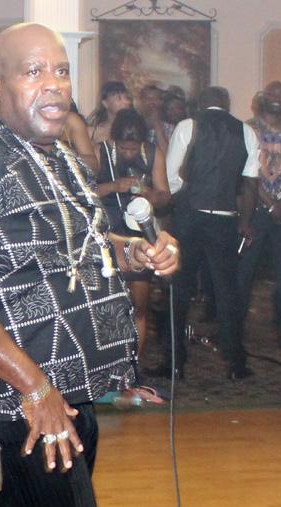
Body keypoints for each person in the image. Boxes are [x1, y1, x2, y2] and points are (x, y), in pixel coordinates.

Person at [0, 23, 179, 507]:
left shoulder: (58, 158)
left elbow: (73, 243)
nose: (54, 85)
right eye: (34, 72)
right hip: (3, 403)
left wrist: (135, 253)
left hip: (58, 393)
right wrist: (35, 387)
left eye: (61, 71)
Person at [166, 86, 260, 380]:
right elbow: (250, 184)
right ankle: (235, 363)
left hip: (190, 216)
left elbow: (171, 175)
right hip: (224, 218)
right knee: (227, 291)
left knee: (178, 289)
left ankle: (174, 362)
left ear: (200, 105)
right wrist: (245, 222)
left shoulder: (188, 126)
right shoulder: (246, 131)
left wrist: (183, 199)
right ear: (227, 104)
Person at [96, 108, 170, 363]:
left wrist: (148, 192)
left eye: (133, 148)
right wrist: (114, 186)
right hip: (108, 230)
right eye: (123, 148)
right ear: (114, 140)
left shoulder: (152, 153)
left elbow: (165, 197)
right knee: (108, 305)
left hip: (139, 231)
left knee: (139, 305)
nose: (128, 153)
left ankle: (135, 365)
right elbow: (84, 193)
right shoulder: (100, 151)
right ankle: (109, 364)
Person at [238, 81, 281, 337]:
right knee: (245, 269)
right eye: (272, 93)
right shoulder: (249, 129)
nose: (277, 97)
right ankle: (235, 325)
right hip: (254, 209)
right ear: (263, 98)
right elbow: (245, 175)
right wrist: (269, 204)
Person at [87, 80, 132, 146]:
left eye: (126, 98)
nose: (125, 102)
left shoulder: (134, 129)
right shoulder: (91, 132)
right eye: (118, 98)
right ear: (105, 103)